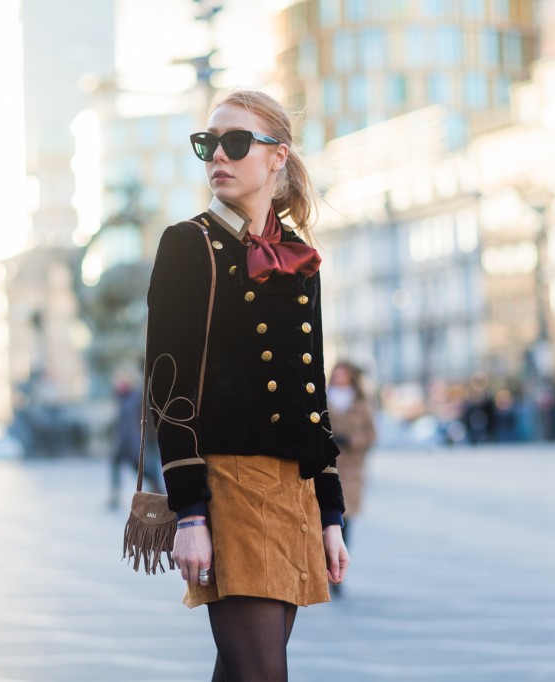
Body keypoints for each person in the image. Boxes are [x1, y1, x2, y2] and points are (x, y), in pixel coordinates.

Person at [145, 88, 348, 681]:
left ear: (276, 156)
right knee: (262, 673)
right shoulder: (189, 244)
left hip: (292, 489)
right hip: (228, 483)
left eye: (235, 143)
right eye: (207, 145)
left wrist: (329, 510)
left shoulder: (298, 256)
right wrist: (189, 513)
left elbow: (312, 391)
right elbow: (168, 382)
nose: (218, 158)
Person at [326, 360, 375, 597]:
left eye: (343, 373)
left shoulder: (360, 401)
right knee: (322, 519)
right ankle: (322, 568)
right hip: (325, 466)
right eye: (337, 372)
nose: (339, 377)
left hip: (351, 469)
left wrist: (353, 442)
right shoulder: (323, 397)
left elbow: (371, 433)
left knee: (345, 522)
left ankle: (337, 572)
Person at [109, 369, 164, 508]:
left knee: (144, 468)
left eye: (122, 380)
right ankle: (115, 495)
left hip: (136, 440)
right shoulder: (122, 397)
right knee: (115, 464)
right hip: (123, 439)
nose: (119, 383)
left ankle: (158, 491)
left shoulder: (138, 395)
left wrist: (150, 437)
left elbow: (148, 418)